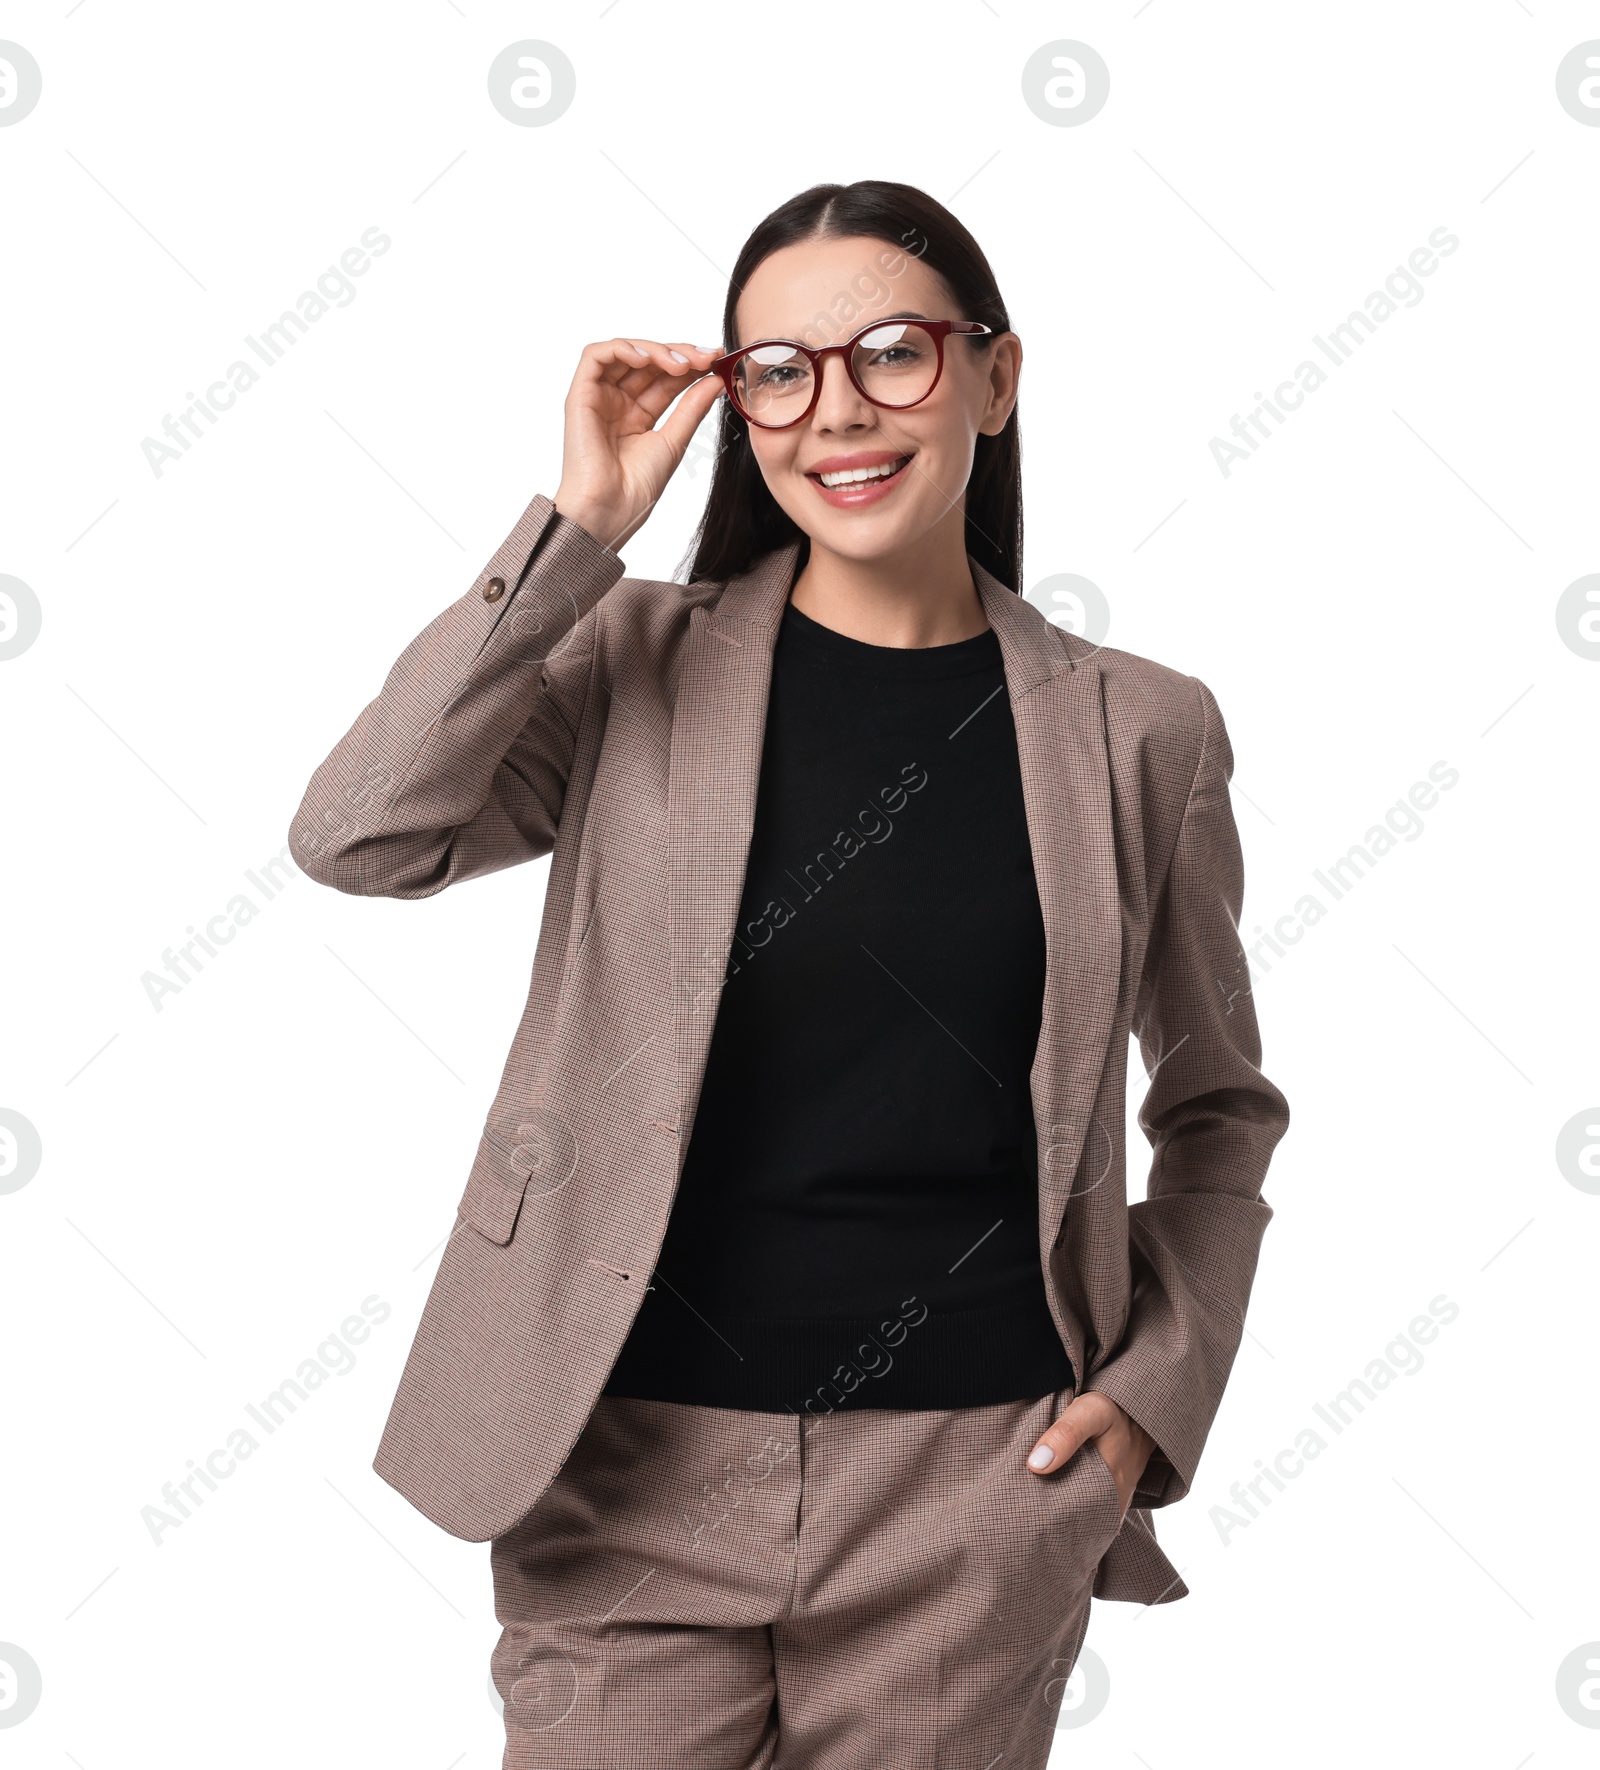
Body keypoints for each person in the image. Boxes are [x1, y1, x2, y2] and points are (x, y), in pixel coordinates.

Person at [289, 178, 1290, 1769]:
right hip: (622, 1465)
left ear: (995, 376)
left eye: (893, 351)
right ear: (736, 399)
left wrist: (1158, 1391)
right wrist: (577, 534)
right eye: (779, 369)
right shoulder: (631, 657)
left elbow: (1221, 1105)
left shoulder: (1141, 729)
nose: (838, 409)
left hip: (972, 1492)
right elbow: (360, 836)